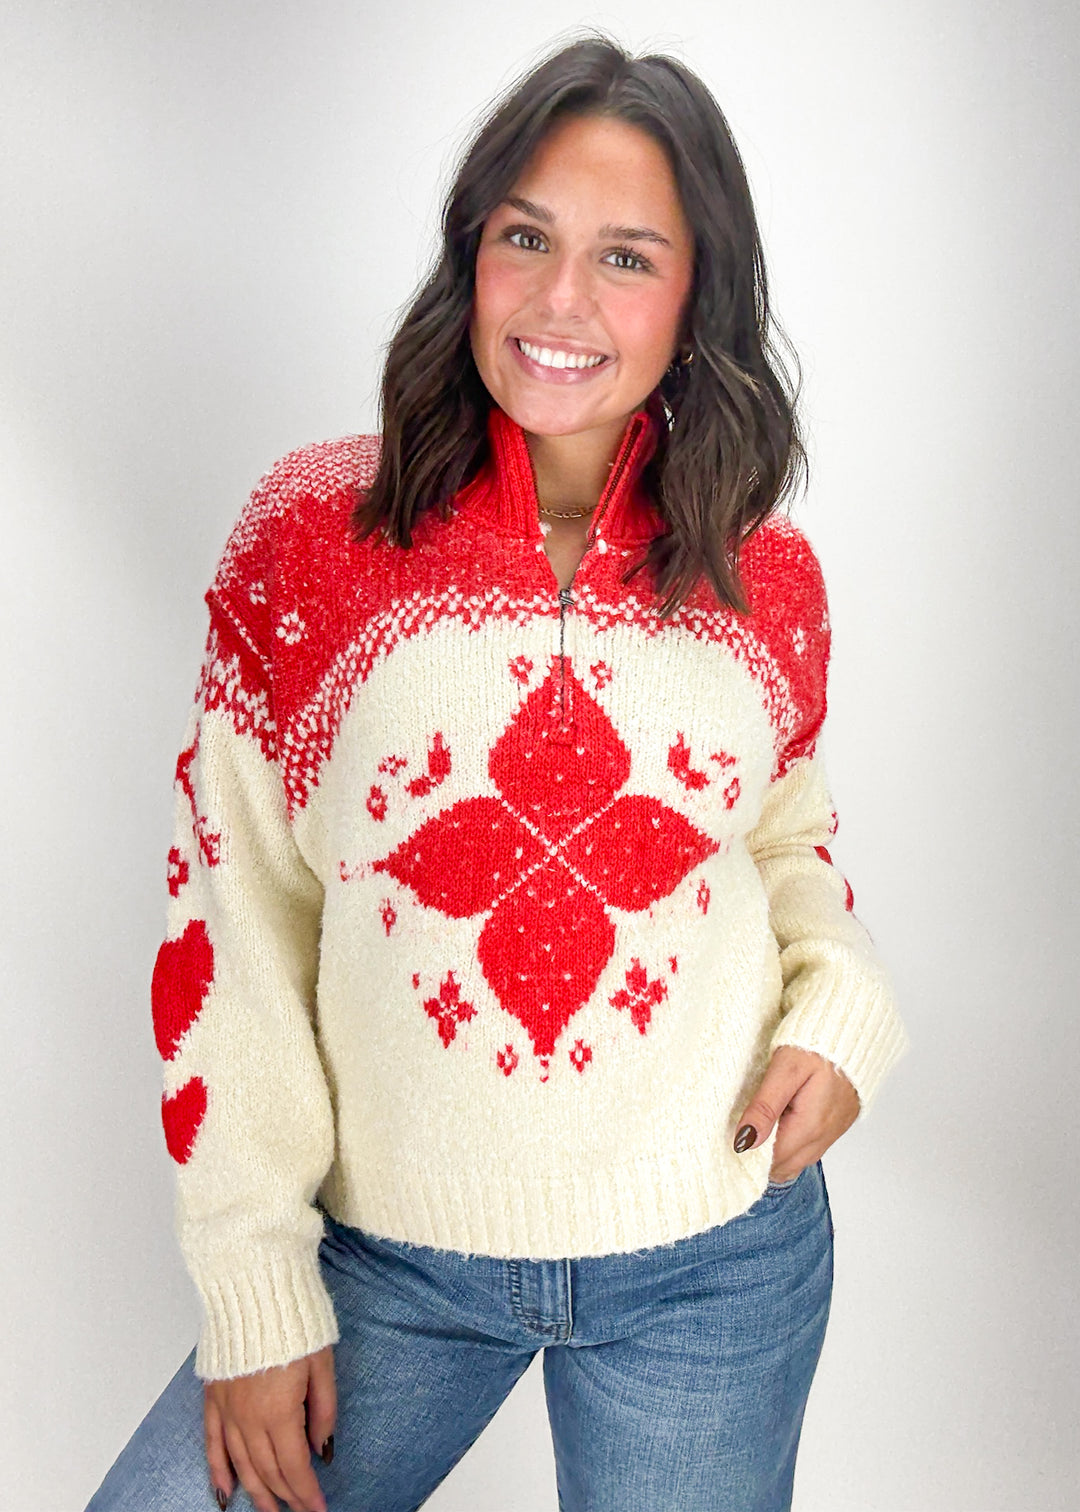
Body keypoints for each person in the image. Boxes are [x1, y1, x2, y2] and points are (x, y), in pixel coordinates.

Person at [87, 33, 907, 1512]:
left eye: (627, 257)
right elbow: (232, 922)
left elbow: (785, 840)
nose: (561, 301)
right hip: (392, 1262)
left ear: (697, 296)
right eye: (524, 236)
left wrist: (844, 1002)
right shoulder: (312, 536)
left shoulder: (763, 568)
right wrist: (254, 1282)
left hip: (715, 1264)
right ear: (470, 251)